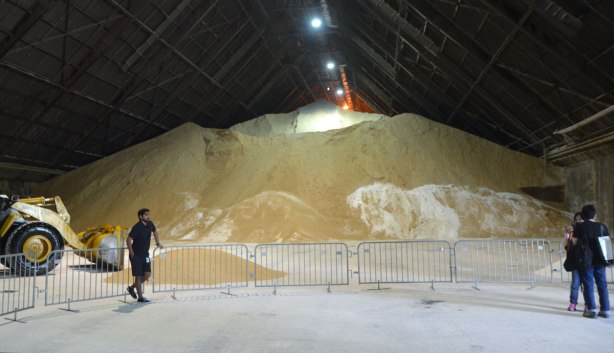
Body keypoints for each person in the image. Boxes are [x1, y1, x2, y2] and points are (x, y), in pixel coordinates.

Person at [573, 204, 610, 318]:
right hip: (600, 260)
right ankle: (605, 310)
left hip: (586, 260)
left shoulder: (579, 226)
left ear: (582, 216)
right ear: (595, 215)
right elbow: (607, 243)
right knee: (602, 285)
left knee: (588, 285)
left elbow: (574, 242)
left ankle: (592, 310)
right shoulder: (602, 226)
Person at [126, 208, 163, 303]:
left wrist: (158, 242)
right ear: (140, 217)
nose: (148, 216)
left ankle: (131, 288)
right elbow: (128, 240)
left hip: (145, 255)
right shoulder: (137, 227)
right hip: (136, 256)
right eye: (146, 215)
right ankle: (140, 298)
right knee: (138, 276)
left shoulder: (150, 224)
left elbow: (155, 231)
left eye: (148, 214)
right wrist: (132, 253)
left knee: (147, 274)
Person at [564, 212, 584, 312]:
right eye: (576, 219)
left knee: (586, 284)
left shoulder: (586, 230)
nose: (578, 221)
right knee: (575, 283)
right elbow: (567, 246)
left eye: (580, 219)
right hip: (575, 261)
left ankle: (587, 304)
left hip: (585, 262)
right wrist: (567, 235)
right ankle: (573, 303)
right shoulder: (571, 231)